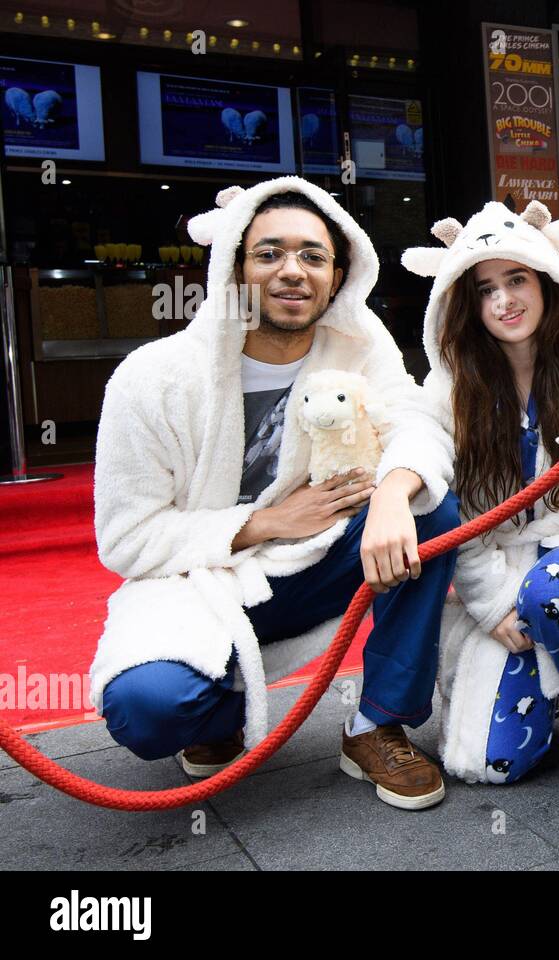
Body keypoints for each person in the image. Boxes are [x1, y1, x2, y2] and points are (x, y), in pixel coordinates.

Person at [91, 178, 461, 810]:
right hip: (201, 583)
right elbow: (126, 538)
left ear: (339, 273)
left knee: (432, 509)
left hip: (312, 562)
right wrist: (261, 523)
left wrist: (395, 495)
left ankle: (376, 722)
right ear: (234, 264)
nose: (293, 271)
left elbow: (416, 424)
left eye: (312, 256)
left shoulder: (359, 347)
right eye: (269, 254)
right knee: (149, 713)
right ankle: (219, 704)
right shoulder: (151, 378)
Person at [403, 200, 559, 784]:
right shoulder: (451, 388)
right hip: (497, 570)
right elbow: (425, 460)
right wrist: (491, 603)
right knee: (495, 764)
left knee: (556, 591)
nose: (503, 300)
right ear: (466, 304)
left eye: (516, 279)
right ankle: (543, 672)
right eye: (485, 289)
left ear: (549, 281)